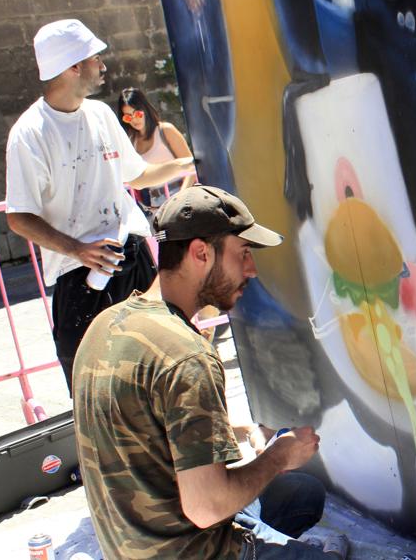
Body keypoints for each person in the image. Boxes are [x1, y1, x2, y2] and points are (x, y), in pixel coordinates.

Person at [72, 185, 348, 559]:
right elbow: (207, 507)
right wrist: (279, 456)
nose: (251, 270)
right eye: (244, 254)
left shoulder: (106, 325)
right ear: (201, 252)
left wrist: (240, 431)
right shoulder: (186, 355)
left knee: (301, 494)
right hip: (195, 551)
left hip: (131, 548)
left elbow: (144, 429)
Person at [5, 18, 195, 394]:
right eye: (95, 59)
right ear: (74, 66)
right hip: (81, 274)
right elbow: (18, 216)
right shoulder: (29, 134)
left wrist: (190, 162)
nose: (103, 67)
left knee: (166, 367)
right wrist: (77, 249)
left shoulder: (102, 115)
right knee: (97, 387)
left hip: (135, 257)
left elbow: (136, 175)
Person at [117, 87, 194, 209]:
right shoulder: (131, 142)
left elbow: (192, 167)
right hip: (156, 205)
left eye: (137, 113)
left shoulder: (165, 130)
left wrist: (181, 199)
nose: (134, 119)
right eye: (127, 117)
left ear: (145, 110)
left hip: (182, 199)